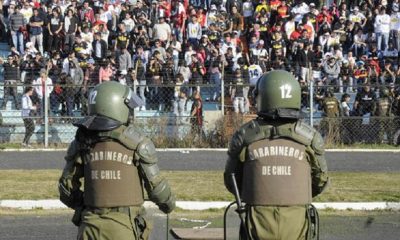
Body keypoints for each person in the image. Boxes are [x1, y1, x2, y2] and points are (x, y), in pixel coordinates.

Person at [58, 81, 175, 240]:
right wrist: (168, 204)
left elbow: (66, 190)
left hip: (88, 226)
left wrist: (88, 205)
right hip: (123, 228)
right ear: (118, 107)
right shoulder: (138, 143)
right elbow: (157, 190)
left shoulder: (81, 142)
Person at [224, 70, 329, 240]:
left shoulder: (245, 136)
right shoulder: (310, 138)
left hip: (256, 223)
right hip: (297, 222)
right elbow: (320, 182)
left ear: (263, 97)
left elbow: (232, 180)